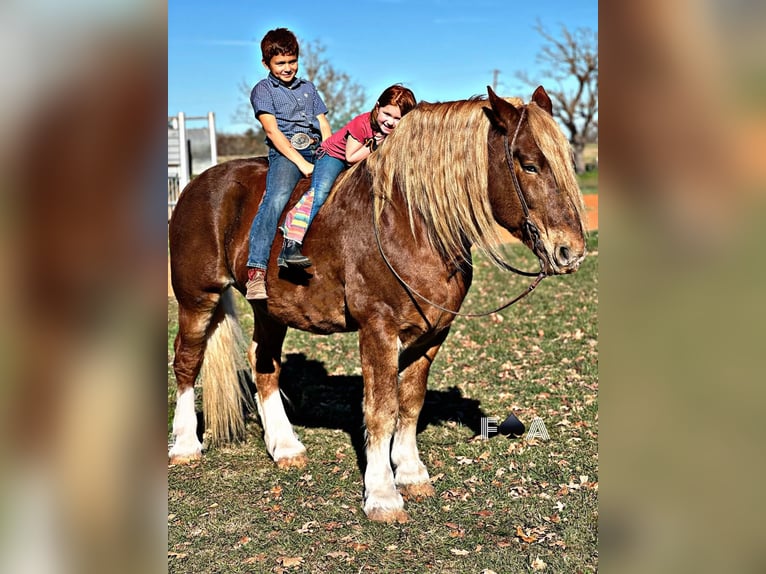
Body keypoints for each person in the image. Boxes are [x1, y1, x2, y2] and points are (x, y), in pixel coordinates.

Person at [276, 84, 417, 269]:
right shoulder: (362, 123)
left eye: (397, 118)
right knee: (320, 192)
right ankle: (291, 243)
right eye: (387, 114)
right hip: (335, 156)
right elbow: (350, 157)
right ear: (377, 107)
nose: (390, 122)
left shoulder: (396, 133)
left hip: (360, 157)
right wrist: (376, 144)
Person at [245, 28, 332, 300]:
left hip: (316, 148)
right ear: (266, 64)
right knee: (277, 197)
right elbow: (273, 132)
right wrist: (301, 164)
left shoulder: (308, 88)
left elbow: (322, 122)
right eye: (280, 63)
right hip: (286, 152)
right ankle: (256, 270)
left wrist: (330, 150)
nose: (287, 68)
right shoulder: (263, 91)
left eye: (292, 61)